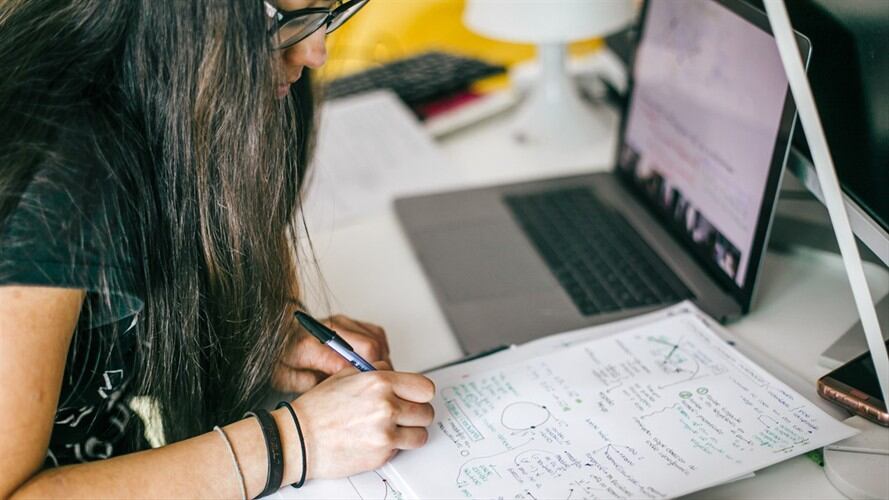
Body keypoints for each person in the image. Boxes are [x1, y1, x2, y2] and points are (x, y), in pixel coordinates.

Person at [0, 0, 436, 497]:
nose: (316, 52)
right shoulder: (57, 171)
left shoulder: (198, 101)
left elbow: (114, 332)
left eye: (328, 12)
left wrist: (261, 340)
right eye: (292, 20)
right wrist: (296, 440)